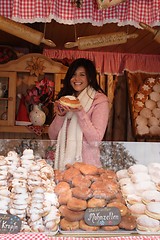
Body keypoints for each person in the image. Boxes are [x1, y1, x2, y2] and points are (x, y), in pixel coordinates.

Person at [48, 58, 109, 170]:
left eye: (82, 75)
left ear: (90, 78)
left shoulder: (99, 100)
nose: (77, 79)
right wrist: (60, 115)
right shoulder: (66, 99)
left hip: (87, 168)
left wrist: (80, 112)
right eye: (74, 75)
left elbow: (95, 140)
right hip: (64, 168)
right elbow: (52, 136)